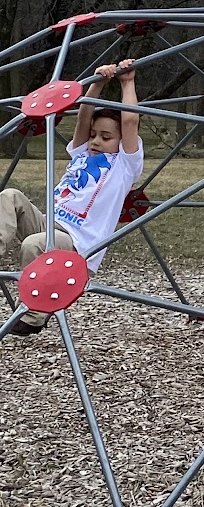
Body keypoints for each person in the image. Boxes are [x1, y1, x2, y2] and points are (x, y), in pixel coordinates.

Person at [3, 60, 144, 337]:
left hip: (77, 245)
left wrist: (127, 83)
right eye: (94, 135)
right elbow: (84, 115)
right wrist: (98, 83)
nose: (95, 141)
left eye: (105, 137)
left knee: (34, 244)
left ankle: (34, 316)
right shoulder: (81, 154)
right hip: (48, 224)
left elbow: (130, 119)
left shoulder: (124, 166)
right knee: (10, 196)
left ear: (121, 142)